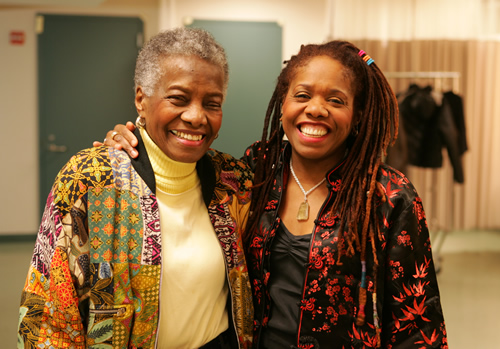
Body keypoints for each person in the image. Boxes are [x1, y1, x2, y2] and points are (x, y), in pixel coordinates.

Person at [102, 41, 448, 348]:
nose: (315, 109)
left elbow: (417, 325)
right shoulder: (254, 172)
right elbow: (176, 164)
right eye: (302, 95)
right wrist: (134, 141)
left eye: (335, 100)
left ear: (357, 115)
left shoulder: (388, 196)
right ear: (282, 104)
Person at [18, 27, 254, 349]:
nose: (197, 116)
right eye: (178, 99)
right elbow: (48, 314)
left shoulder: (235, 182)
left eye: (212, 103)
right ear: (141, 100)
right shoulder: (90, 180)